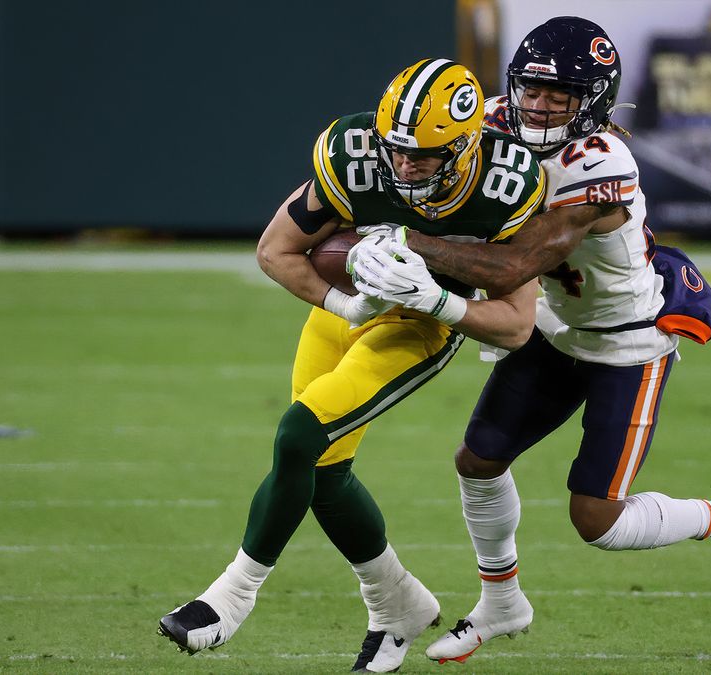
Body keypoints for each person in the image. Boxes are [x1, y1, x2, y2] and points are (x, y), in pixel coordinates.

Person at [351, 18, 711, 665]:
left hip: (626, 339)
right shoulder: (489, 122)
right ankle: (502, 601)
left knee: (595, 518)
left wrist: (407, 247)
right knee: (478, 460)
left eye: (561, 95)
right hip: (555, 325)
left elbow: (518, 263)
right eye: (532, 90)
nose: (540, 105)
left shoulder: (603, 163)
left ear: (594, 102)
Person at [156, 58, 546, 674]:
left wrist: (438, 298)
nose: (404, 164)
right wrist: (345, 301)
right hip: (345, 312)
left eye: (423, 155)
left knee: (299, 436)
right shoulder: (356, 153)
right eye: (396, 150)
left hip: (422, 324)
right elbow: (276, 250)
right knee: (325, 473)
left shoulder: (507, 185)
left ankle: (231, 596)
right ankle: (397, 604)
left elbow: (519, 322)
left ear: (466, 148)